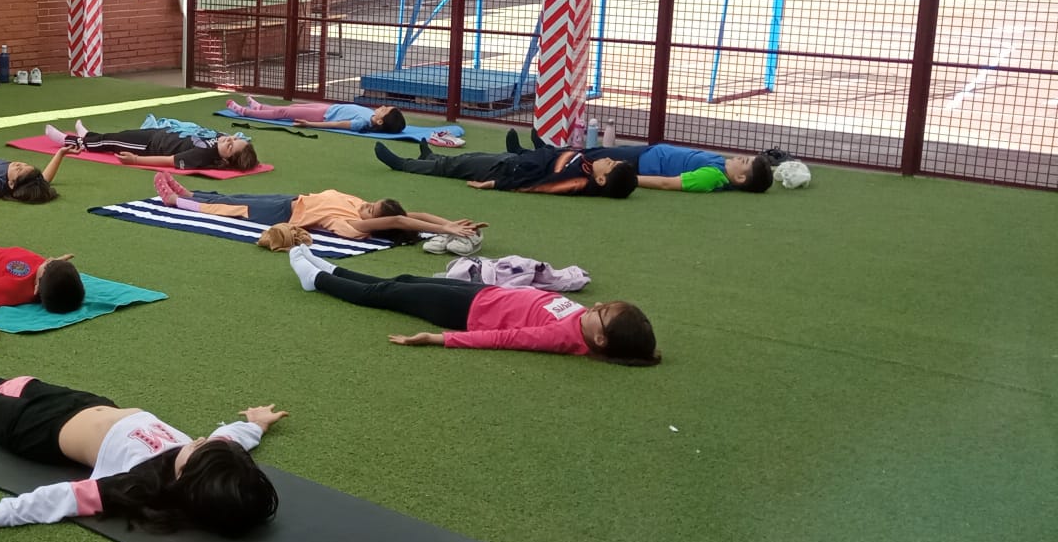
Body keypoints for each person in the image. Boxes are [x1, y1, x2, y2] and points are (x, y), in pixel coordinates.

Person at [0, 345, 286, 536]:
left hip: (39, 431)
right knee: (22, 384)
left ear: (186, 477)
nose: (198, 438)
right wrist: (255, 425)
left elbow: (62, 498)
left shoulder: (137, 483)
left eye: (198, 447)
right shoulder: (207, 458)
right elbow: (227, 437)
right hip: (89, 405)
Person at [284, 246, 659, 365]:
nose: (596, 306)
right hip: (482, 293)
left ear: (601, 340)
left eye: (602, 313)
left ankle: (315, 280)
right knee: (403, 280)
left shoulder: (562, 337)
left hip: (466, 312)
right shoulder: (582, 322)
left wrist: (438, 339)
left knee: (386, 294)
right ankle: (331, 269)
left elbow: (502, 339)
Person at [151, 173, 483, 244]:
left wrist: (444, 231)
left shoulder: (354, 225)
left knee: (231, 209)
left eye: (371, 210)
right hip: (291, 199)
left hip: (284, 215)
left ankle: (177, 202)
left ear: (377, 223)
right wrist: (448, 222)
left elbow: (400, 220)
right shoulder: (360, 208)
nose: (366, 206)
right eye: (372, 204)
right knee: (236, 195)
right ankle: (192, 192)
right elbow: (413, 215)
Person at [507, 129, 772, 193]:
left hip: (642, 163)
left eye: (745, 162)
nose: (741, 157)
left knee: (587, 157)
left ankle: (524, 156)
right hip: (647, 153)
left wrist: (631, 177)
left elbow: (669, 183)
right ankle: (546, 150)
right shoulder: (719, 163)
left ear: (740, 178)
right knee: (591, 151)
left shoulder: (713, 176)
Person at [372, 141, 638, 198]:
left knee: (452, 167)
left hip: (506, 172)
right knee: (468, 156)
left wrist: (496, 184)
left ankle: (402, 164)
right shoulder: (585, 167)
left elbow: (539, 187)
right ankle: (431, 155)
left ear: (601, 180)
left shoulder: (575, 182)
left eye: (611, 164)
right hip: (515, 161)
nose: (609, 158)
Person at [44, 121, 259, 172]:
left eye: (230, 146)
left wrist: (136, 160)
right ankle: (89, 136)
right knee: (118, 135)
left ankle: (70, 141)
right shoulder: (220, 140)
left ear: (224, 159)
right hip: (157, 134)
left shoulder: (203, 156)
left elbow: (170, 161)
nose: (228, 140)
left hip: (149, 146)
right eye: (232, 139)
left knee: (113, 143)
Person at [224, 96, 408, 135]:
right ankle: (260, 107)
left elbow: (336, 125)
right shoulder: (371, 115)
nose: (382, 106)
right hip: (329, 108)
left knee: (284, 113)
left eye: (385, 109)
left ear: (380, 120)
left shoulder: (362, 123)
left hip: (323, 116)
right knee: (294, 106)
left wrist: (310, 124)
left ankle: (245, 112)